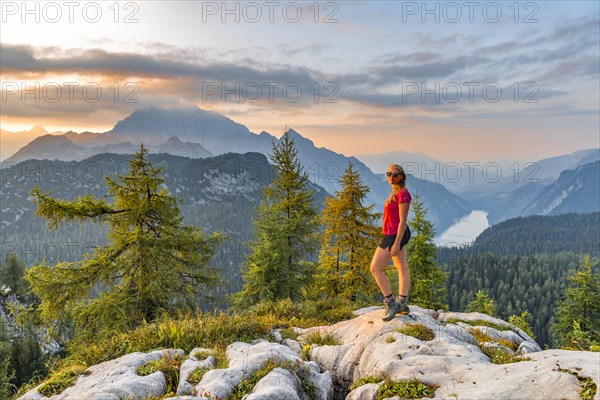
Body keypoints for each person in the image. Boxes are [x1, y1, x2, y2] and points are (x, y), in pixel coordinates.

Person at [370, 163, 412, 321]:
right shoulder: (395, 192)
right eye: (389, 174)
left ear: (401, 176)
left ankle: (391, 303)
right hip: (393, 234)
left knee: (375, 268)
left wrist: (396, 243)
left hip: (394, 235)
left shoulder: (403, 194)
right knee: (402, 267)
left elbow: (402, 221)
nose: (391, 177)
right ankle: (402, 303)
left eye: (395, 174)